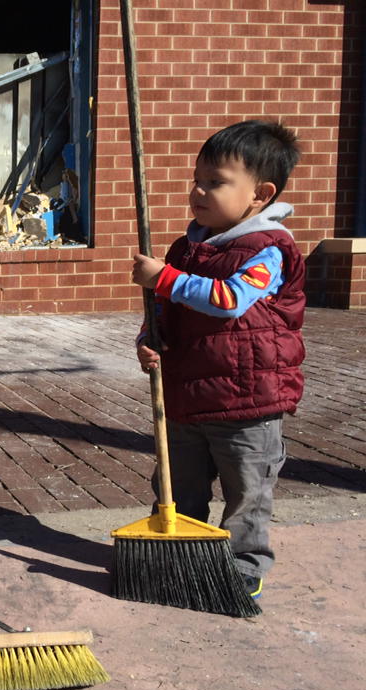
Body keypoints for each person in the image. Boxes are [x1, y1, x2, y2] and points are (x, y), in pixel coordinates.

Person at [132, 120, 305, 601]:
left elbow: (228, 299)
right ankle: (181, 557)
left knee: (246, 494)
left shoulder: (267, 249)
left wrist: (162, 279)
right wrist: (150, 337)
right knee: (178, 488)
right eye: (198, 178)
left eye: (216, 181)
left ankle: (243, 567)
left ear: (260, 194)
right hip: (187, 398)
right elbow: (164, 310)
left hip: (248, 406)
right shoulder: (186, 250)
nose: (198, 190)